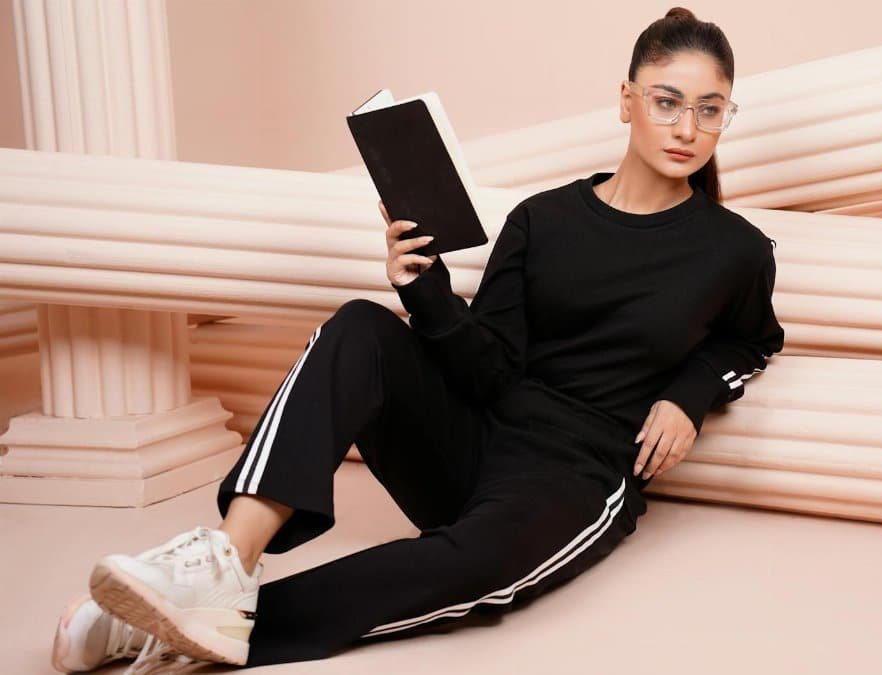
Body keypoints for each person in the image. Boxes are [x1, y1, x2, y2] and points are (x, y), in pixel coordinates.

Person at [50, 6, 785, 674]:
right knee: (361, 325)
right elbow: (488, 369)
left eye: (709, 110)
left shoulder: (735, 251)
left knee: (474, 567)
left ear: (725, 117)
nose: (688, 128)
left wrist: (688, 397)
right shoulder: (543, 219)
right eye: (668, 101)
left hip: (577, 475)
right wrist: (420, 285)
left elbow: (751, 339)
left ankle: (158, 629)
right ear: (626, 100)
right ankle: (221, 562)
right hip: (479, 438)